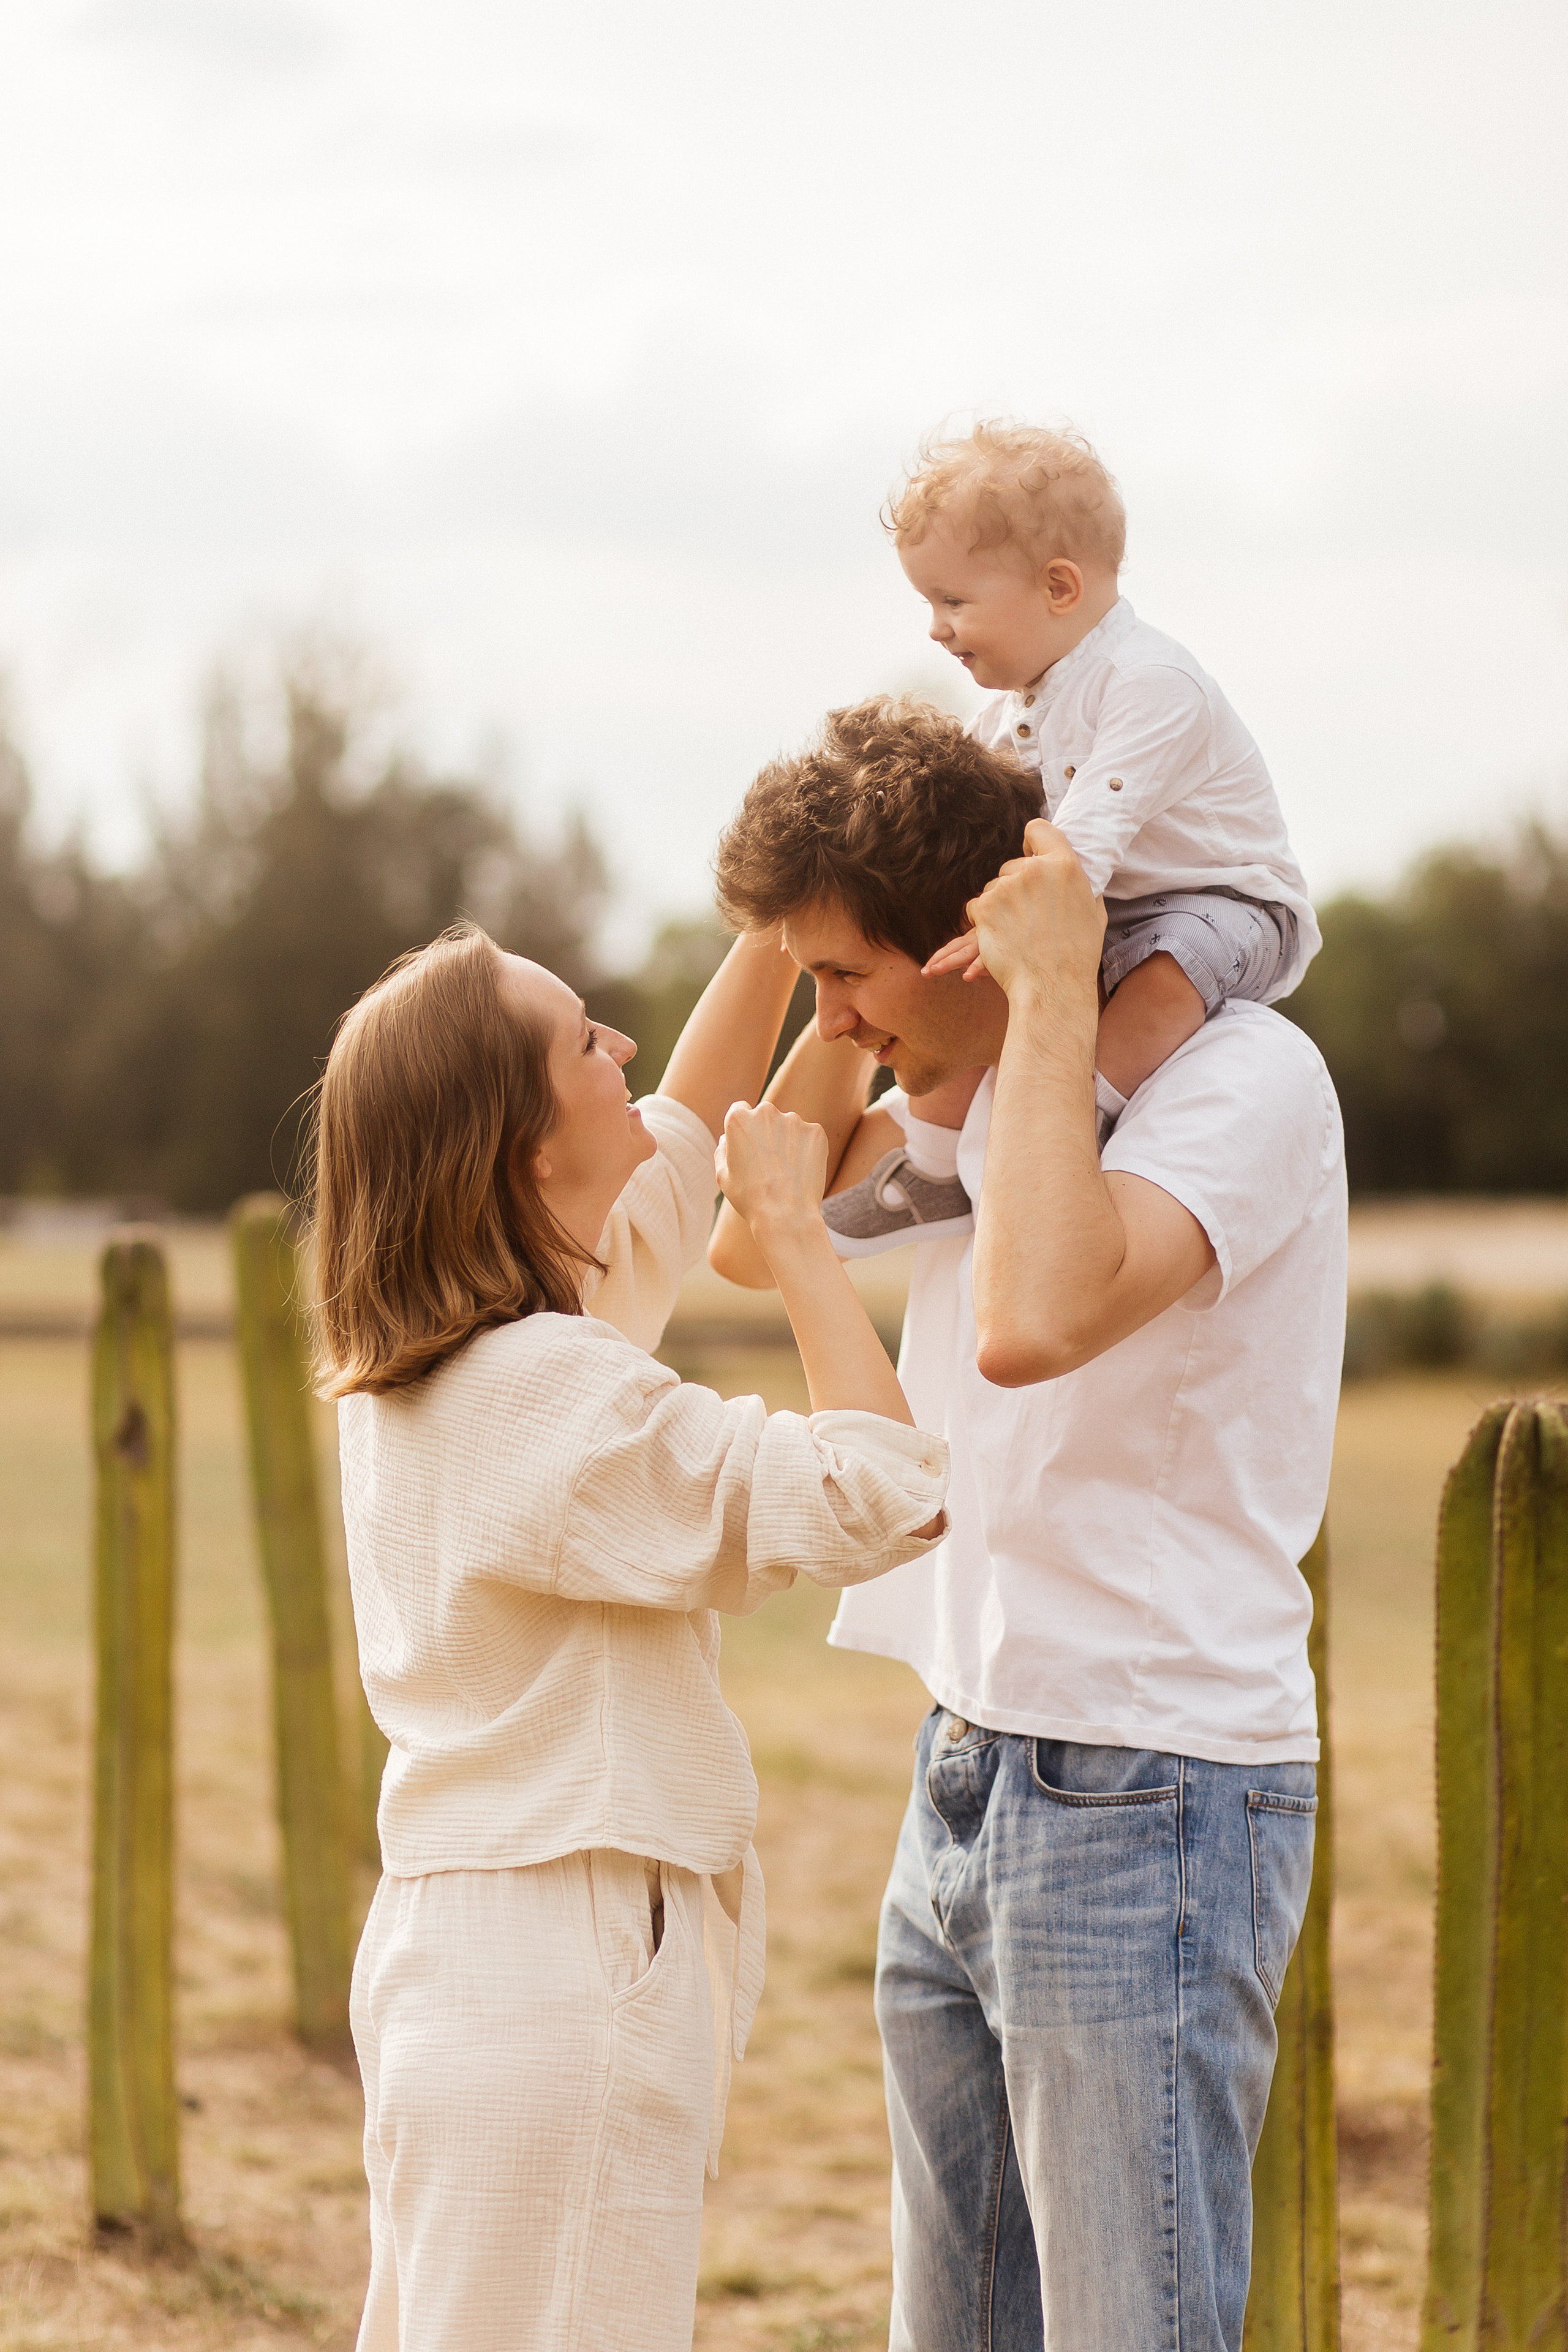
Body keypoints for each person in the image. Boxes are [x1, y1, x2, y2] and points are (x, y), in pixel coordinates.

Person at [708, 698, 1347, 2352]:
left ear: (973, 951)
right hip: (971, 1766)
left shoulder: (1246, 1082)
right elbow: (741, 1224)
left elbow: (1036, 1314)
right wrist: (874, 981)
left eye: (848, 980)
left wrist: (1054, 989)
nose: (832, 1026)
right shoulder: (967, 1099)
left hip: (1151, 1788)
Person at [311, 919, 949, 2352]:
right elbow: (880, 1491)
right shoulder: (547, 1393)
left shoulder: (448, 1359)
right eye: (583, 1039)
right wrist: (790, 1235)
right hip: (561, 1968)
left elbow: (671, 1137)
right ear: (527, 1150)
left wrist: (784, 931)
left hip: (471, 1953)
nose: (624, 1051)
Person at [820, 420, 1322, 1259]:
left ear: (1058, 587)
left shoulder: (1151, 683)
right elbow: (976, 830)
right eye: (927, 604)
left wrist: (1008, 928)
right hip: (1095, 908)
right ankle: (938, 1170)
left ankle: (1077, 1130)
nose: (936, 630)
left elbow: (1089, 833)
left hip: (1222, 903)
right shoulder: (1011, 709)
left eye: (953, 601)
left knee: (1163, 977)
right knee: (967, 997)